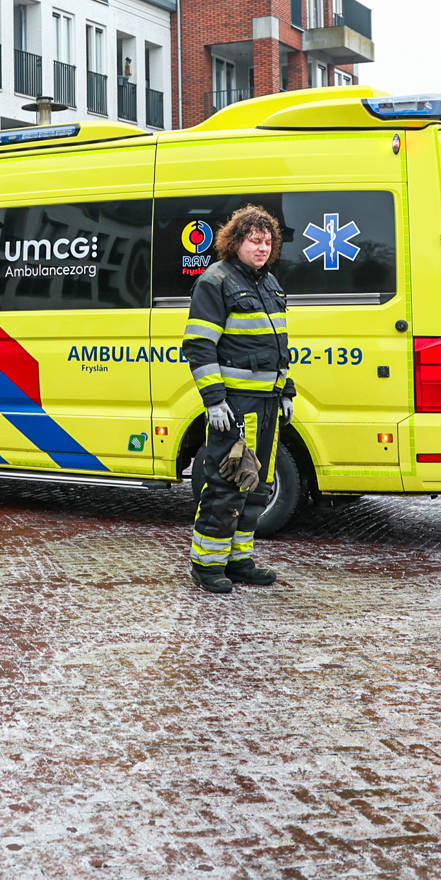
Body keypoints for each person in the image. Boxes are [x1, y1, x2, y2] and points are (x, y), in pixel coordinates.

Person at [182, 204, 295, 594]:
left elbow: (278, 345)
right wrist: (214, 400)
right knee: (227, 483)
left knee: (258, 484)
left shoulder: (269, 283)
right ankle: (207, 565)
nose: (262, 248)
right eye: (254, 240)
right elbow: (199, 346)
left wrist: (287, 390)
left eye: (267, 242)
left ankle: (238, 559)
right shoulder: (216, 281)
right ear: (236, 241)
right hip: (235, 405)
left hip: (267, 404)